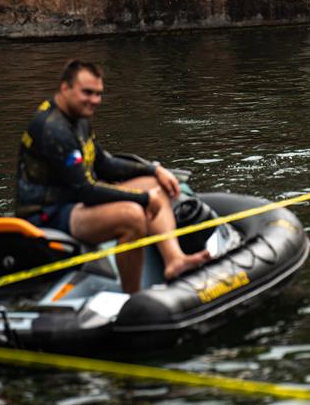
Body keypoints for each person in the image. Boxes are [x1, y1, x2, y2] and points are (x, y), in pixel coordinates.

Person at [15, 59, 209, 293]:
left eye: (98, 94)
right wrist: (144, 199)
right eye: (87, 92)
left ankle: (174, 259)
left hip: (73, 203)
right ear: (65, 88)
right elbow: (85, 190)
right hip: (48, 214)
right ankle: (132, 297)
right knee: (132, 216)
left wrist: (153, 169)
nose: (95, 100)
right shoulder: (53, 128)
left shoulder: (79, 118)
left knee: (156, 184)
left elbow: (103, 164)